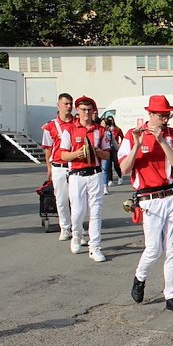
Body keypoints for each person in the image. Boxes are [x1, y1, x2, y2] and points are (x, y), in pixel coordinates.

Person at [118, 95, 173, 314]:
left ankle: (172, 295)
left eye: (167, 114)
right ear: (150, 114)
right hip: (149, 199)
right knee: (154, 249)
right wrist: (138, 144)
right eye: (161, 115)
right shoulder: (132, 135)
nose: (165, 119)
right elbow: (124, 169)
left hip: (171, 195)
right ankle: (140, 277)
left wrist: (162, 142)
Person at [59, 96, 110, 262]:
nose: (86, 113)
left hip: (95, 174)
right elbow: (63, 154)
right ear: (77, 111)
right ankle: (76, 234)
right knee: (78, 211)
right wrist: (77, 154)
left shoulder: (100, 131)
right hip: (77, 175)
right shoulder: (70, 130)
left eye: (89, 109)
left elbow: (107, 154)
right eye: (83, 109)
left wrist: (96, 151)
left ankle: (94, 247)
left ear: (93, 111)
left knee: (96, 211)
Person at [41, 93, 74, 241]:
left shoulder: (77, 123)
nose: (68, 107)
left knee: (76, 199)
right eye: (66, 103)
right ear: (58, 105)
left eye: (70, 104)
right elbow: (47, 148)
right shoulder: (50, 126)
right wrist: (48, 168)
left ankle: (76, 226)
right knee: (60, 199)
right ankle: (65, 228)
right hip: (58, 166)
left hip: (75, 166)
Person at [102, 116, 124, 194]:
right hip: (98, 153)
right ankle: (106, 182)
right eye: (101, 123)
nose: (102, 124)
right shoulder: (97, 131)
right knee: (102, 170)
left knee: (105, 168)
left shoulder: (109, 133)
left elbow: (114, 143)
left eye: (104, 123)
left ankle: (105, 187)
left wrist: (121, 150)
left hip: (108, 151)